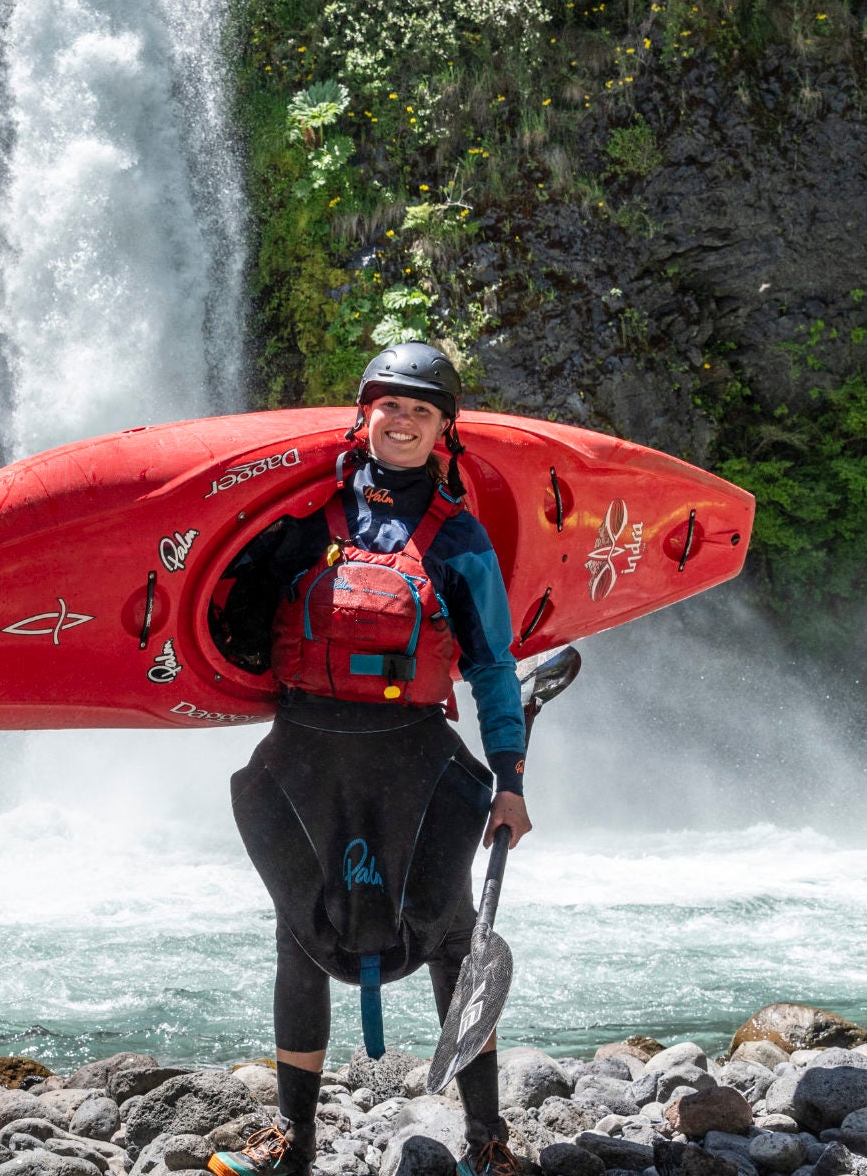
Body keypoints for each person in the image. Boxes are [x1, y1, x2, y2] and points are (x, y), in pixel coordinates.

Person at [206, 341, 531, 1176]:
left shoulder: (459, 539)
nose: (405, 421)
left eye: (423, 410)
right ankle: (293, 1140)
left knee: (453, 933)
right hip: (307, 750)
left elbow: (494, 666)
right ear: (365, 412)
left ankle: (487, 1138)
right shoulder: (300, 517)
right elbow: (226, 609)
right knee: (299, 931)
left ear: (444, 430)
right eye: (392, 405)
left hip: (411, 754)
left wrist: (509, 780)